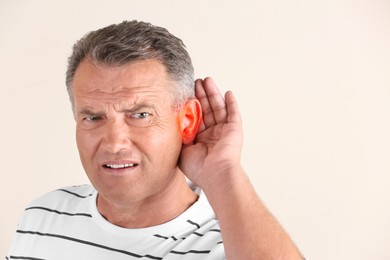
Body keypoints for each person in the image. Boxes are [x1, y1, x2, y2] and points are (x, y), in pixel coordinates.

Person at [6, 20, 304, 260]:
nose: (114, 143)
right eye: (93, 118)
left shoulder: (226, 246)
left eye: (140, 115)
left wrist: (223, 171)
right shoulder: (41, 217)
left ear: (186, 122)